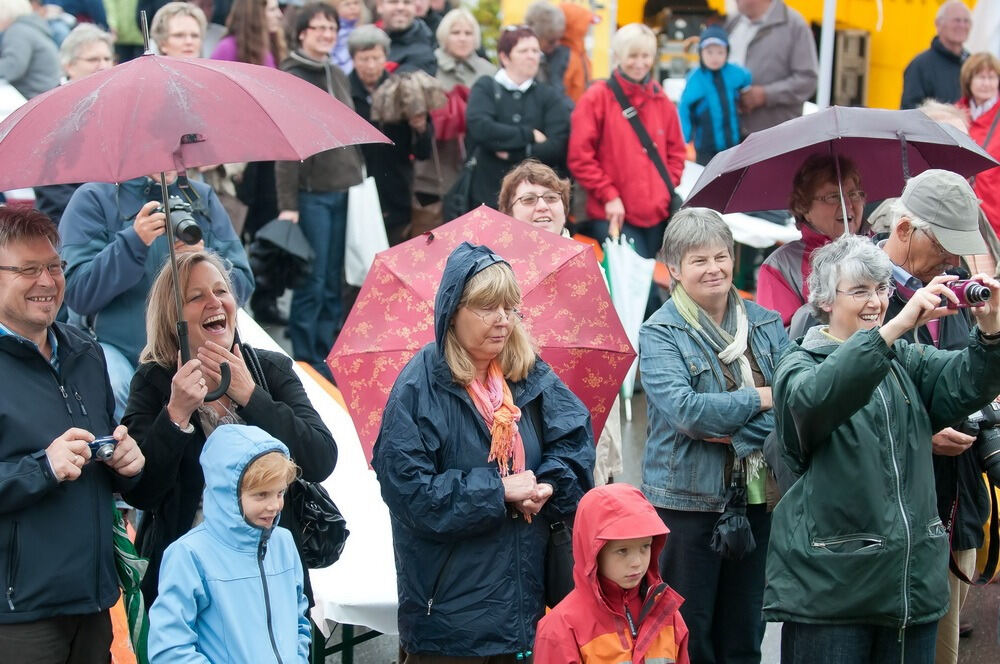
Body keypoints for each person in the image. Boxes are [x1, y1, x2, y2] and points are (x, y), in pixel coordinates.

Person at [765, 233, 1000, 664]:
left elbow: (970, 381)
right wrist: (894, 328)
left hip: (909, 590)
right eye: (859, 291)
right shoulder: (797, 365)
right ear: (823, 300)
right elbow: (817, 400)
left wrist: (989, 328)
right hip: (832, 597)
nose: (874, 301)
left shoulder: (904, 361)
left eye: (880, 289)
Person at [373, 242, 595, 662]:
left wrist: (546, 483)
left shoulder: (527, 372)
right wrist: (498, 491)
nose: (503, 321)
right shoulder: (418, 389)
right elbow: (410, 494)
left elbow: (573, 440)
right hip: (450, 622)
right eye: (487, 307)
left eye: (509, 307)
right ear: (452, 311)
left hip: (522, 609)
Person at [121, 251, 337, 608]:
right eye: (195, 297)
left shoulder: (270, 369)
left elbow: (320, 458)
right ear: (172, 319)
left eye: (221, 291)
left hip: (271, 579)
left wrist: (250, 395)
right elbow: (141, 493)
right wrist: (176, 415)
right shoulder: (153, 381)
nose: (214, 302)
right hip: (190, 584)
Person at [639, 208, 789, 664]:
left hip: (758, 496)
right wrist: (762, 398)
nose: (714, 269)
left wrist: (741, 429)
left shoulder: (765, 323)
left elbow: (795, 402)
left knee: (745, 629)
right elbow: (689, 413)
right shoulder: (660, 331)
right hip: (685, 502)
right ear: (676, 270)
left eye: (721, 256)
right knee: (691, 633)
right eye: (699, 260)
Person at [0, 207, 145, 662]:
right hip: (19, 612)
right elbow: (41, 470)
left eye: (54, 266)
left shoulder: (85, 351)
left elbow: (105, 471)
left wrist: (126, 466)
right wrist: (42, 468)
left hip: (94, 598)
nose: (47, 281)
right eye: (27, 269)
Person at [877, 170, 992, 664]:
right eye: (945, 245)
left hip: (955, 500)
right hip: (886, 520)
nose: (952, 260)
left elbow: (970, 381)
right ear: (904, 230)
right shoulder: (859, 293)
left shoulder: (953, 289)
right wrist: (920, 436)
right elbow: (830, 406)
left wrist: (992, 341)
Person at [60, 170, 253, 419]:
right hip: (120, 351)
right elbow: (77, 292)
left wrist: (203, 262)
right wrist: (132, 244)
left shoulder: (199, 195)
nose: (168, 152)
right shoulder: (93, 198)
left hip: (197, 352)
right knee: (116, 386)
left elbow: (243, 284)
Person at [498, 159, 623, 486]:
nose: (542, 206)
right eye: (528, 200)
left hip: (586, 402)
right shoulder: (497, 272)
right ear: (509, 213)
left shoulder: (590, 262)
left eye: (551, 198)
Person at [147, 425, 311, 663]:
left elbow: (299, 621)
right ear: (227, 493)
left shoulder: (284, 543)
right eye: (261, 495)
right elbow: (169, 649)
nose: (274, 505)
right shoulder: (189, 554)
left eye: (279, 493)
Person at [276, 3, 365, 375]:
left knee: (334, 278)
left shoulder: (337, 72)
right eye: (319, 28)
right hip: (311, 195)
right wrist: (288, 203)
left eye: (332, 27)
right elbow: (284, 146)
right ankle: (304, 354)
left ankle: (328, 351)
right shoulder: (291, 76)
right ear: (301, 33)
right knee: (311, 278)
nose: (327, 34)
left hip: (346, 190)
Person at [534, 484, 690, 664]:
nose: (637, 562)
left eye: (645, 546)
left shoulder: (667, 613)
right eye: (622, 550)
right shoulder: (561, 626)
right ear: (594, 552)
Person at [568, 23, 685, 259]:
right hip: (613, 214)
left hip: (656, 215)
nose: (640, 63)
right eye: (633, 55)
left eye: (646, 56)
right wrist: (609, 195)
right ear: (619, 56)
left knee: (652, 281)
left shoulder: (661, 100)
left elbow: (676, 153)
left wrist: (663, 189)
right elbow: (580, 156)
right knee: (637, 289)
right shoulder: (597, 97)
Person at [211, 0, 287, 325]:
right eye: (270, 8)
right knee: (236, 230)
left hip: (266, 153)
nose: (278, 14)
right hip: (239, 157)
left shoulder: (270, 47)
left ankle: (265, 301)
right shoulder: (227, 48)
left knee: (265, 227)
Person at [466, 25, 570, 211]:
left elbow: (556, 147)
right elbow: (481, 129)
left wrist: (514, 153)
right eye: (523, 51)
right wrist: (529, 135)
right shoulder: (485, 87)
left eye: (535, 51)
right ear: (504, 57)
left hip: (534, 201)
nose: (532, 56)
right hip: (486, 194)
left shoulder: (549, 96)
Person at [755, 154, 865, 329]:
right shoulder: (780, 266)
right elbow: (778, 340)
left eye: (854, 194)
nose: (848, 205)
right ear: (804, 207)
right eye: (833, 197)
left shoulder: (881, 250)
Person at [411, 7, 495, 231]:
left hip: (475, 165)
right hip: (435, 166)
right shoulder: (429, 67)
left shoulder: (488, 72)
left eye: (468, 33)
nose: (462, 38)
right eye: (456, 32)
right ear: (444, 35)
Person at [348, 24, 433, 245]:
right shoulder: (343, 90)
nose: (370, 65)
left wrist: (420, 126)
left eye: (376, 58)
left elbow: (423, 151)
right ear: (353, 59)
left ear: (386, 57)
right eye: (364, 59)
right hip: (355, 189)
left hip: (396, 188)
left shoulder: (402, 89)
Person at [33, 24, 114, 229]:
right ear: (69, 66)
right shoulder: (50, 111)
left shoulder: (116, 105)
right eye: (93, 59)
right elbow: (52, 189)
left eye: (107, 59)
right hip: (68, 223)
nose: (103, 65)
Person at [725, 0, 817, 135]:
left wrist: (765, 95)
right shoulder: (734, 22)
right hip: (730, 135)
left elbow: (807, 80)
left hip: (773, 139)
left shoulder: (794, 25)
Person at [679, 25, 752, 166]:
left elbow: (746, 77)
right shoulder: (695, 78)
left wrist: (745, 92)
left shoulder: (733, 72)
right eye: (709, 52)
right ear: (701, 53)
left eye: (720, 52)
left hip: (732, 143)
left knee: (730, 174)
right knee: (706, 177)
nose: (715, 57)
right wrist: (685, 137)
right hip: (706, 146)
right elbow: (684, 107)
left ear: (727, 53)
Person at [957, 53, 1000, 238]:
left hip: (994, 210)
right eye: (981, 77)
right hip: (960, 208)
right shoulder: (954, 114)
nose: (986, 83)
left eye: (991, 77)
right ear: (969, 80)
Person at [901, 1, 972, 110]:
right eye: (956, 20)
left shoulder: (973, 65)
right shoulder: (920, 65)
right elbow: (910, 112)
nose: (962, 25)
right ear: (938, 24)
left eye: (966, 21)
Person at [0, 0, 61, 99]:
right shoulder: (30, 27)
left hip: (34, 97)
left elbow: (12, 68)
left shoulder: (17, 31)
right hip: (47, 93)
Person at [210, 0, 286, 66]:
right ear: (255, 14)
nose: (279, 15)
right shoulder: (228, 47)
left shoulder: (273, 44)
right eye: (272, 10)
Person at [524, 0, 569, 101]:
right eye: (551, 41)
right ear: (536, 36)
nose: (557, 44)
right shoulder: (523, 61)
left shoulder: (558, 55)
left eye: (559, 39)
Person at [378, 0, 436, 74]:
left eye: (407, 2)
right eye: (393, 2)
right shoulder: (369, 40)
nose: (400, 7)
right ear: (379, 5)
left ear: (415, 7)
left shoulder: (425, 47)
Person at [331, 0, 365, 73]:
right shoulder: (334, 31)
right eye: (347, 4)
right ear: (336, 8)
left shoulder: (362, 29)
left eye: (356, 3)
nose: (353, 7)